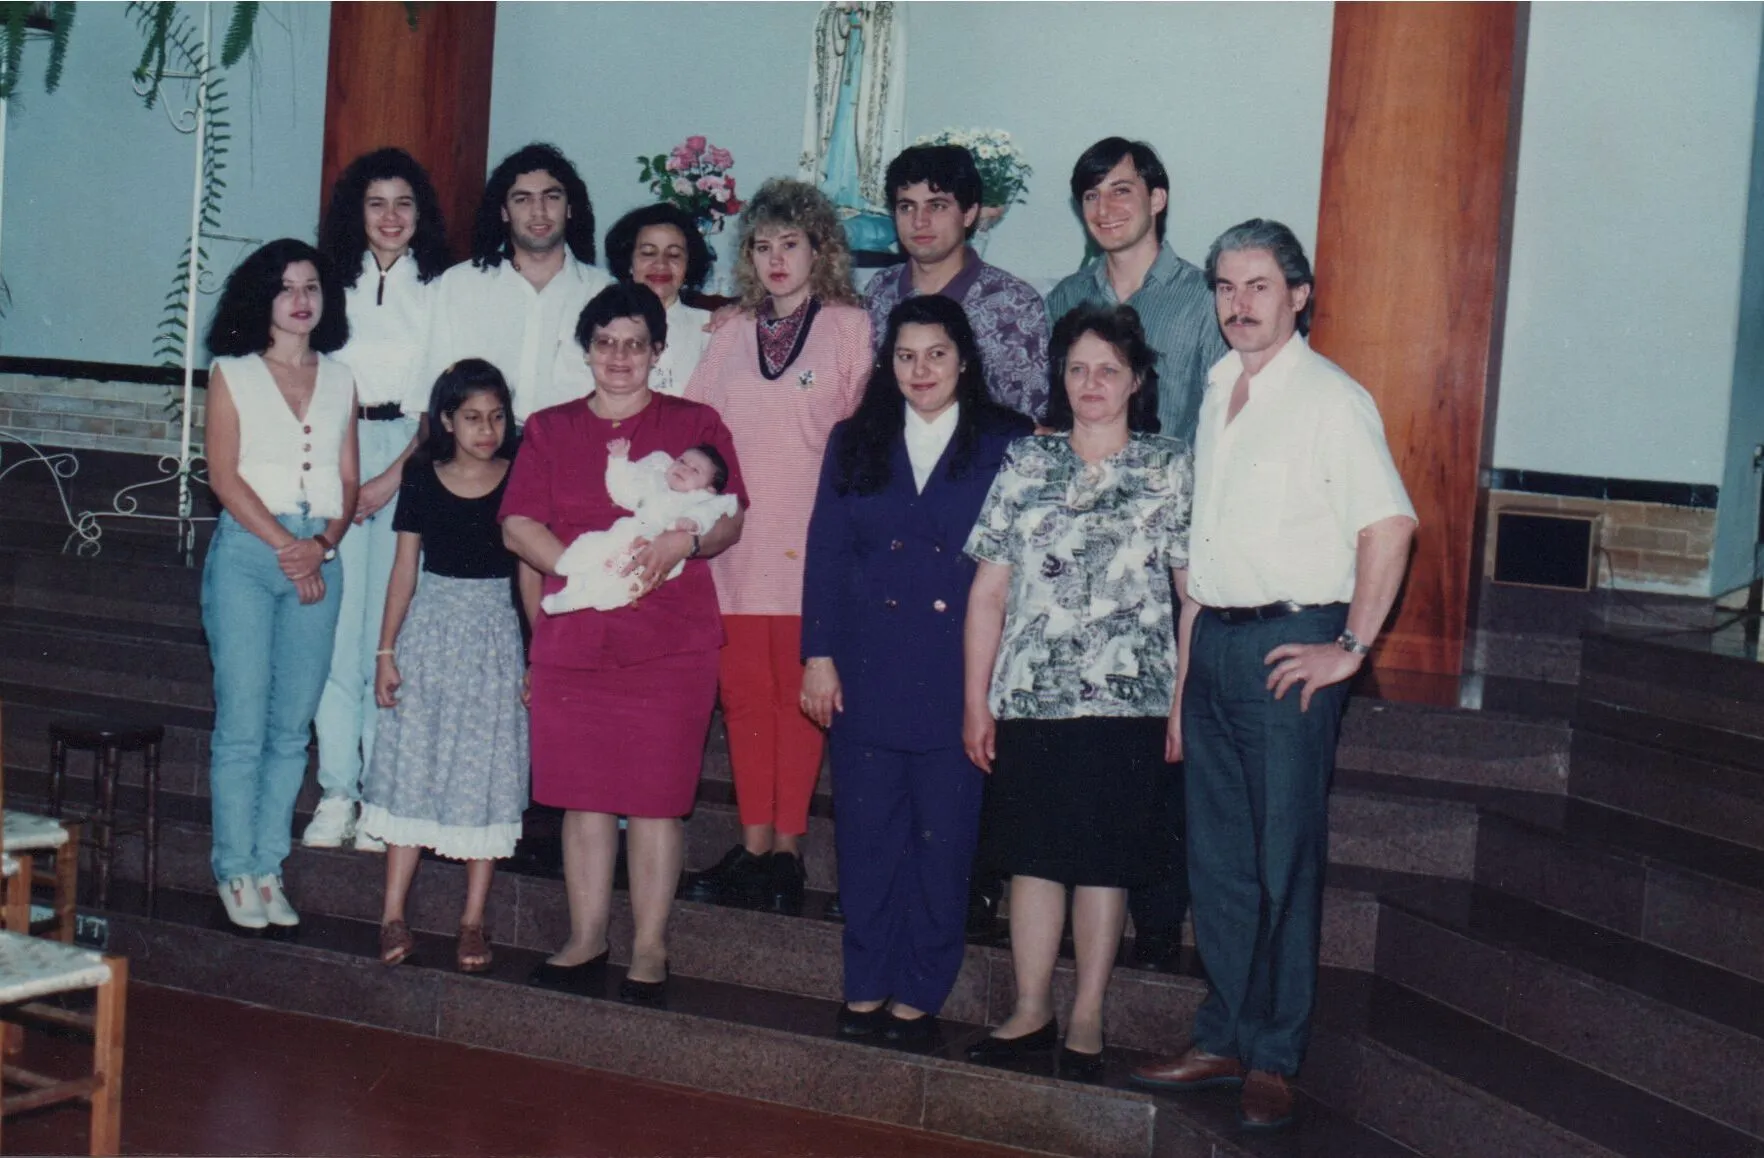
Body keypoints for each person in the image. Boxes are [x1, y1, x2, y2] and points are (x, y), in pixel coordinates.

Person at [1129, 221, 1416, 1131]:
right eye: (1224, 286)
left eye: (1259, 285)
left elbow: (1390, 526)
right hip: (1213, 639)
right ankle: (1222, 1035)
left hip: (1293, 647)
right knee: (1218, 861)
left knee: (1281, 857)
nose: (1239, 303)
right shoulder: (1216, 387)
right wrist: (1181, 686)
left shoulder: (1333, 400)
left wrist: (1352, 649)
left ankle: (1276, 1056)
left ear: (1300, 294)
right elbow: (1200, 553)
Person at [961, 303, 1193, 1081]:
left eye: (1108, 369)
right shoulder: (1026, 464)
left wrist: (1182, 701)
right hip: (1032, 695)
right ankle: (1032, 1008)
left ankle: (1088, 1012)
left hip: (1131, 700)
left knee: (1104, 863)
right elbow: (988, 593)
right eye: (1077, 369)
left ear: (1136, 380)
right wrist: (976, 699)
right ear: (1060, 380)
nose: (1091, 383)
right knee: (1033, 858)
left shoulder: (1170, 466)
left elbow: (1192, 597)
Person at [501, 282, 747, 1004]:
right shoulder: (549, 429)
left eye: (635, 343)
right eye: (605, 342)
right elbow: (518, 525)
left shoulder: (696, 421)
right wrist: (580, 569)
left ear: (658, 352)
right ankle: (585, 937)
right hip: (577, 629)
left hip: (670, 641)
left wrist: (684, 538)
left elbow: (731, 518)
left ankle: (648, 944)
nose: (619, 357)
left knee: (655, 799)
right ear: (586, 350)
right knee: (581, 798)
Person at [801, 295, 1032, 1048]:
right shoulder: (855, 439)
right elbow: (828, 552)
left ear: (965, 358)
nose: (921, 370)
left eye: (936, 354)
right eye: (905, 356)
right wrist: (819, 654)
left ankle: (920, 991)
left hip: (960, 669)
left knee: (943, 842)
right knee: (866, 838)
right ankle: (865, 981)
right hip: (866, 665)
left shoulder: (1008, 441)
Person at [1045, 136, 1227, 969]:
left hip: (1173, 545)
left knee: (1162, 742)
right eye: (1092, 196)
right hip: (1081, 554)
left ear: (1158, 198)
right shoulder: (1064, 297)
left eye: (1122, 192)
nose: (1106, 209)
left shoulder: (1201, 301)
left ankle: (1156, 920)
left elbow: (1226, 427)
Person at [680, 178, 871, 916]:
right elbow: (696, 429)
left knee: (797, 704)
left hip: (812, 546)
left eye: (791, 243)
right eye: (762, 246)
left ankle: (787, 850)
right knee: (745, 699)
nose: (776, 259)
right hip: (735, 545)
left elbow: (862, 440)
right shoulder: (728, 333)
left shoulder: (851, 328)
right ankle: (753, 846)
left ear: (819, 248)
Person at [201, 238, 360, 929]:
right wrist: (286, 545)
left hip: (318, 559)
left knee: (291, 730)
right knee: (242, 725)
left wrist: (320, 544)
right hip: (248, 553)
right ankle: (234, 869)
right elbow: (223, 476)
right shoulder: (232, 373)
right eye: (287, 287)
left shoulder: (343, 378)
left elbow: (349, 481)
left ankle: (269, 868)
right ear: (262, 300)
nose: (301, 300)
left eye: (312, 287)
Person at [306, 146, 451, 853]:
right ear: (355, 212)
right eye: (375, 203)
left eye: (403, 204)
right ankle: (338, 790)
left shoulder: (443, 289)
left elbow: (441, 410)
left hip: (411, 458)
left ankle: (384, 795)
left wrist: (387, 481)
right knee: (339, 631)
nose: (390, 218)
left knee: (390, 633)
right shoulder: (329, 282)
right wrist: (345, 482)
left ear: (420, 214)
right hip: (337, 447)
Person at [364, 359, 526, 974]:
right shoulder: (422, 478)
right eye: (471, 418)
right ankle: (393, 916)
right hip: (430, 631)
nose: (486, 429)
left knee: (486, 769)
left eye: (496, 417)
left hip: (492, 637)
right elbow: (404, 569)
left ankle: (472, 921)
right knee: (415, 764)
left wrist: (538, 654)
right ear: (447, 423)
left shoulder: (519, 478)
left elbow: (530, 571)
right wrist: (386, 651)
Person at [425, 142, 613, 424]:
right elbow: (431, 387)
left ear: (570, 207)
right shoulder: (460, 284)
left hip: (571, 447)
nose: (539, 211)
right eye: (522, 199)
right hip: (478, 450)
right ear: (503, 212)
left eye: (551, 197)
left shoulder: (604, 292)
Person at [862, 145, 1049, 421]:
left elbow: (1026, 422)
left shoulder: (1013, 304)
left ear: (969, 213)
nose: (919, 221)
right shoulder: (879, 291)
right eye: (907, 207)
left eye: (936, 206)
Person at [542, 440, 737, 615]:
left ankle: (579, 600)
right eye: (682, 461)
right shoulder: (655, 481)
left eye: (695, 470)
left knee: (624, 580)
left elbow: (710, 512)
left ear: (709, 488)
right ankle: (571, 585)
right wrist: (618, 460)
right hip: (630, 531)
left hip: (659, 550)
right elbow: (623, 490)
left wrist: (694, 522)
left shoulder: (701, 499)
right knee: (594, 546)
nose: (684, 469)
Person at [604, 203, 715, 395]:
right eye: (648, 253)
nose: (661, 264)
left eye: (673, 255)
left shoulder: (711, 330)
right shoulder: (604, 325)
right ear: (629, 262)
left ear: (688, 264)